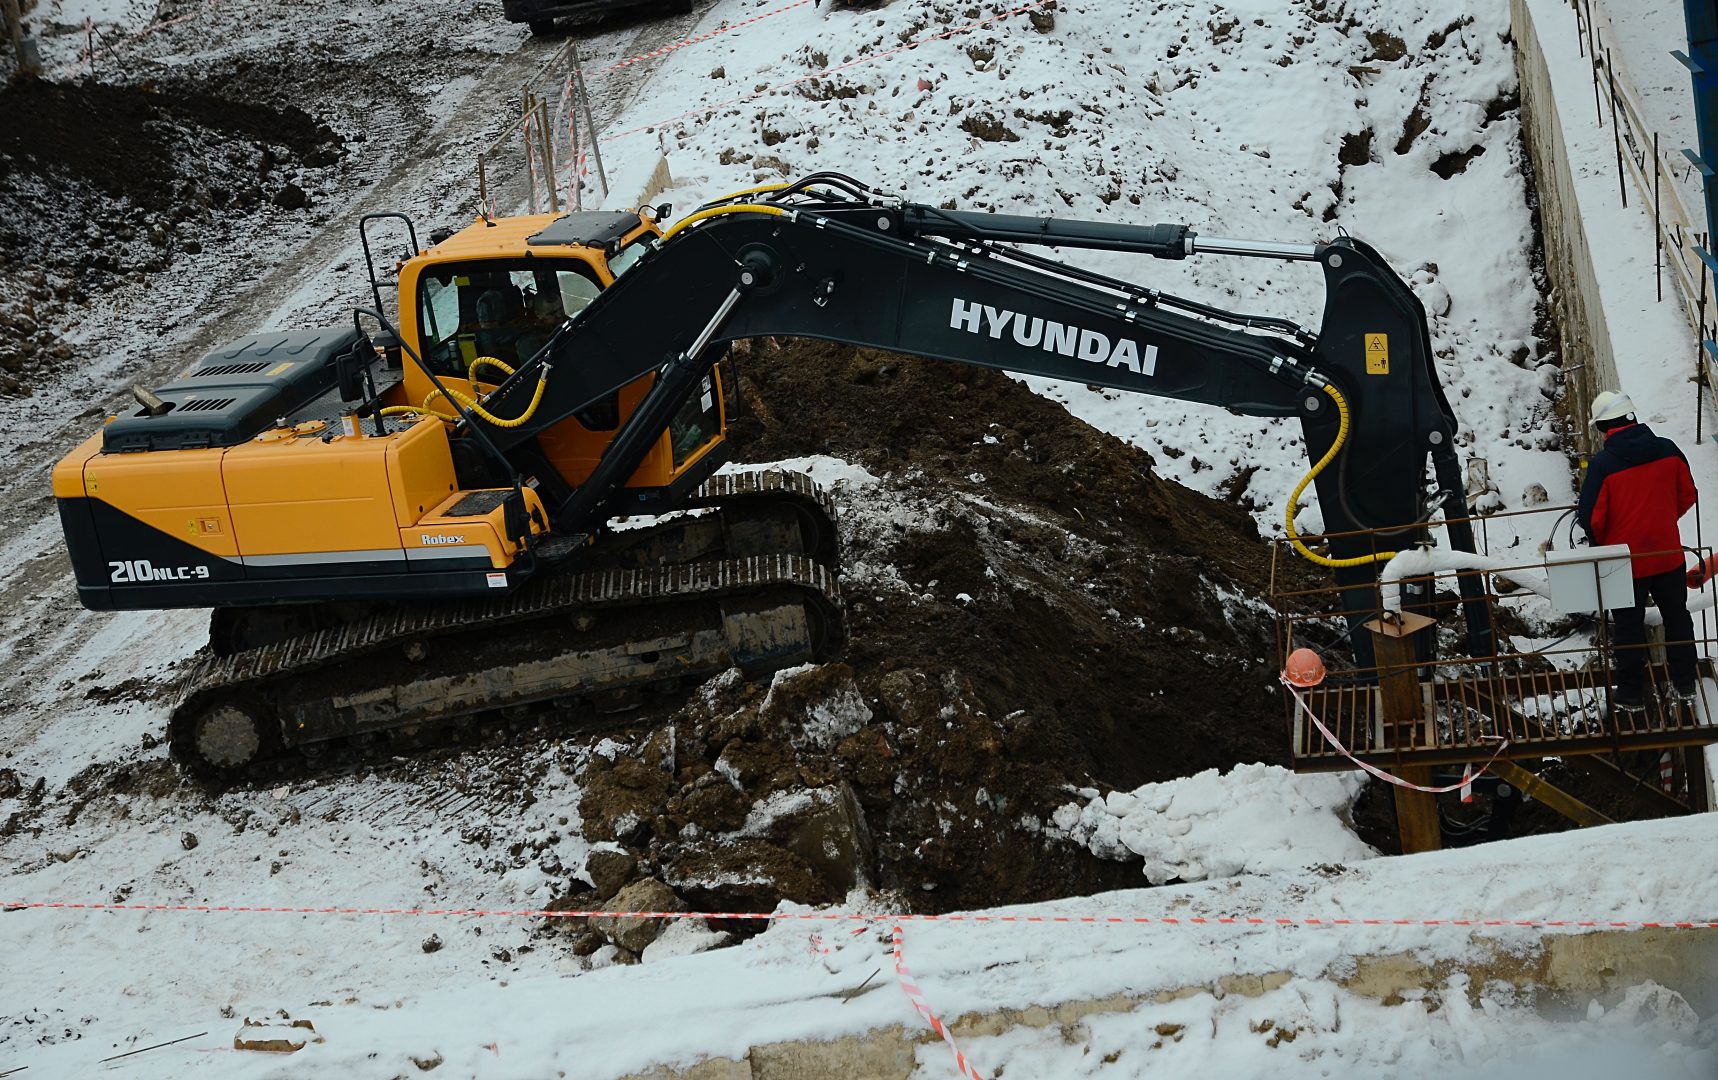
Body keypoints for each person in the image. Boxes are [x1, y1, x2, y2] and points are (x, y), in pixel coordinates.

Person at [1576, 390, 1699, 712]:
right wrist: (1660, 521)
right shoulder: (1669, 450)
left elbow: (1591, 519)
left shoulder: (1604, 464)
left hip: (1624, 562)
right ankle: (1685, 682)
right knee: (1677, 618)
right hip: (1668, 555)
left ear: (1604, 428)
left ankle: (1631, 695)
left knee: (1629, 628)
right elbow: (1687, 494)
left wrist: (1608, 542)